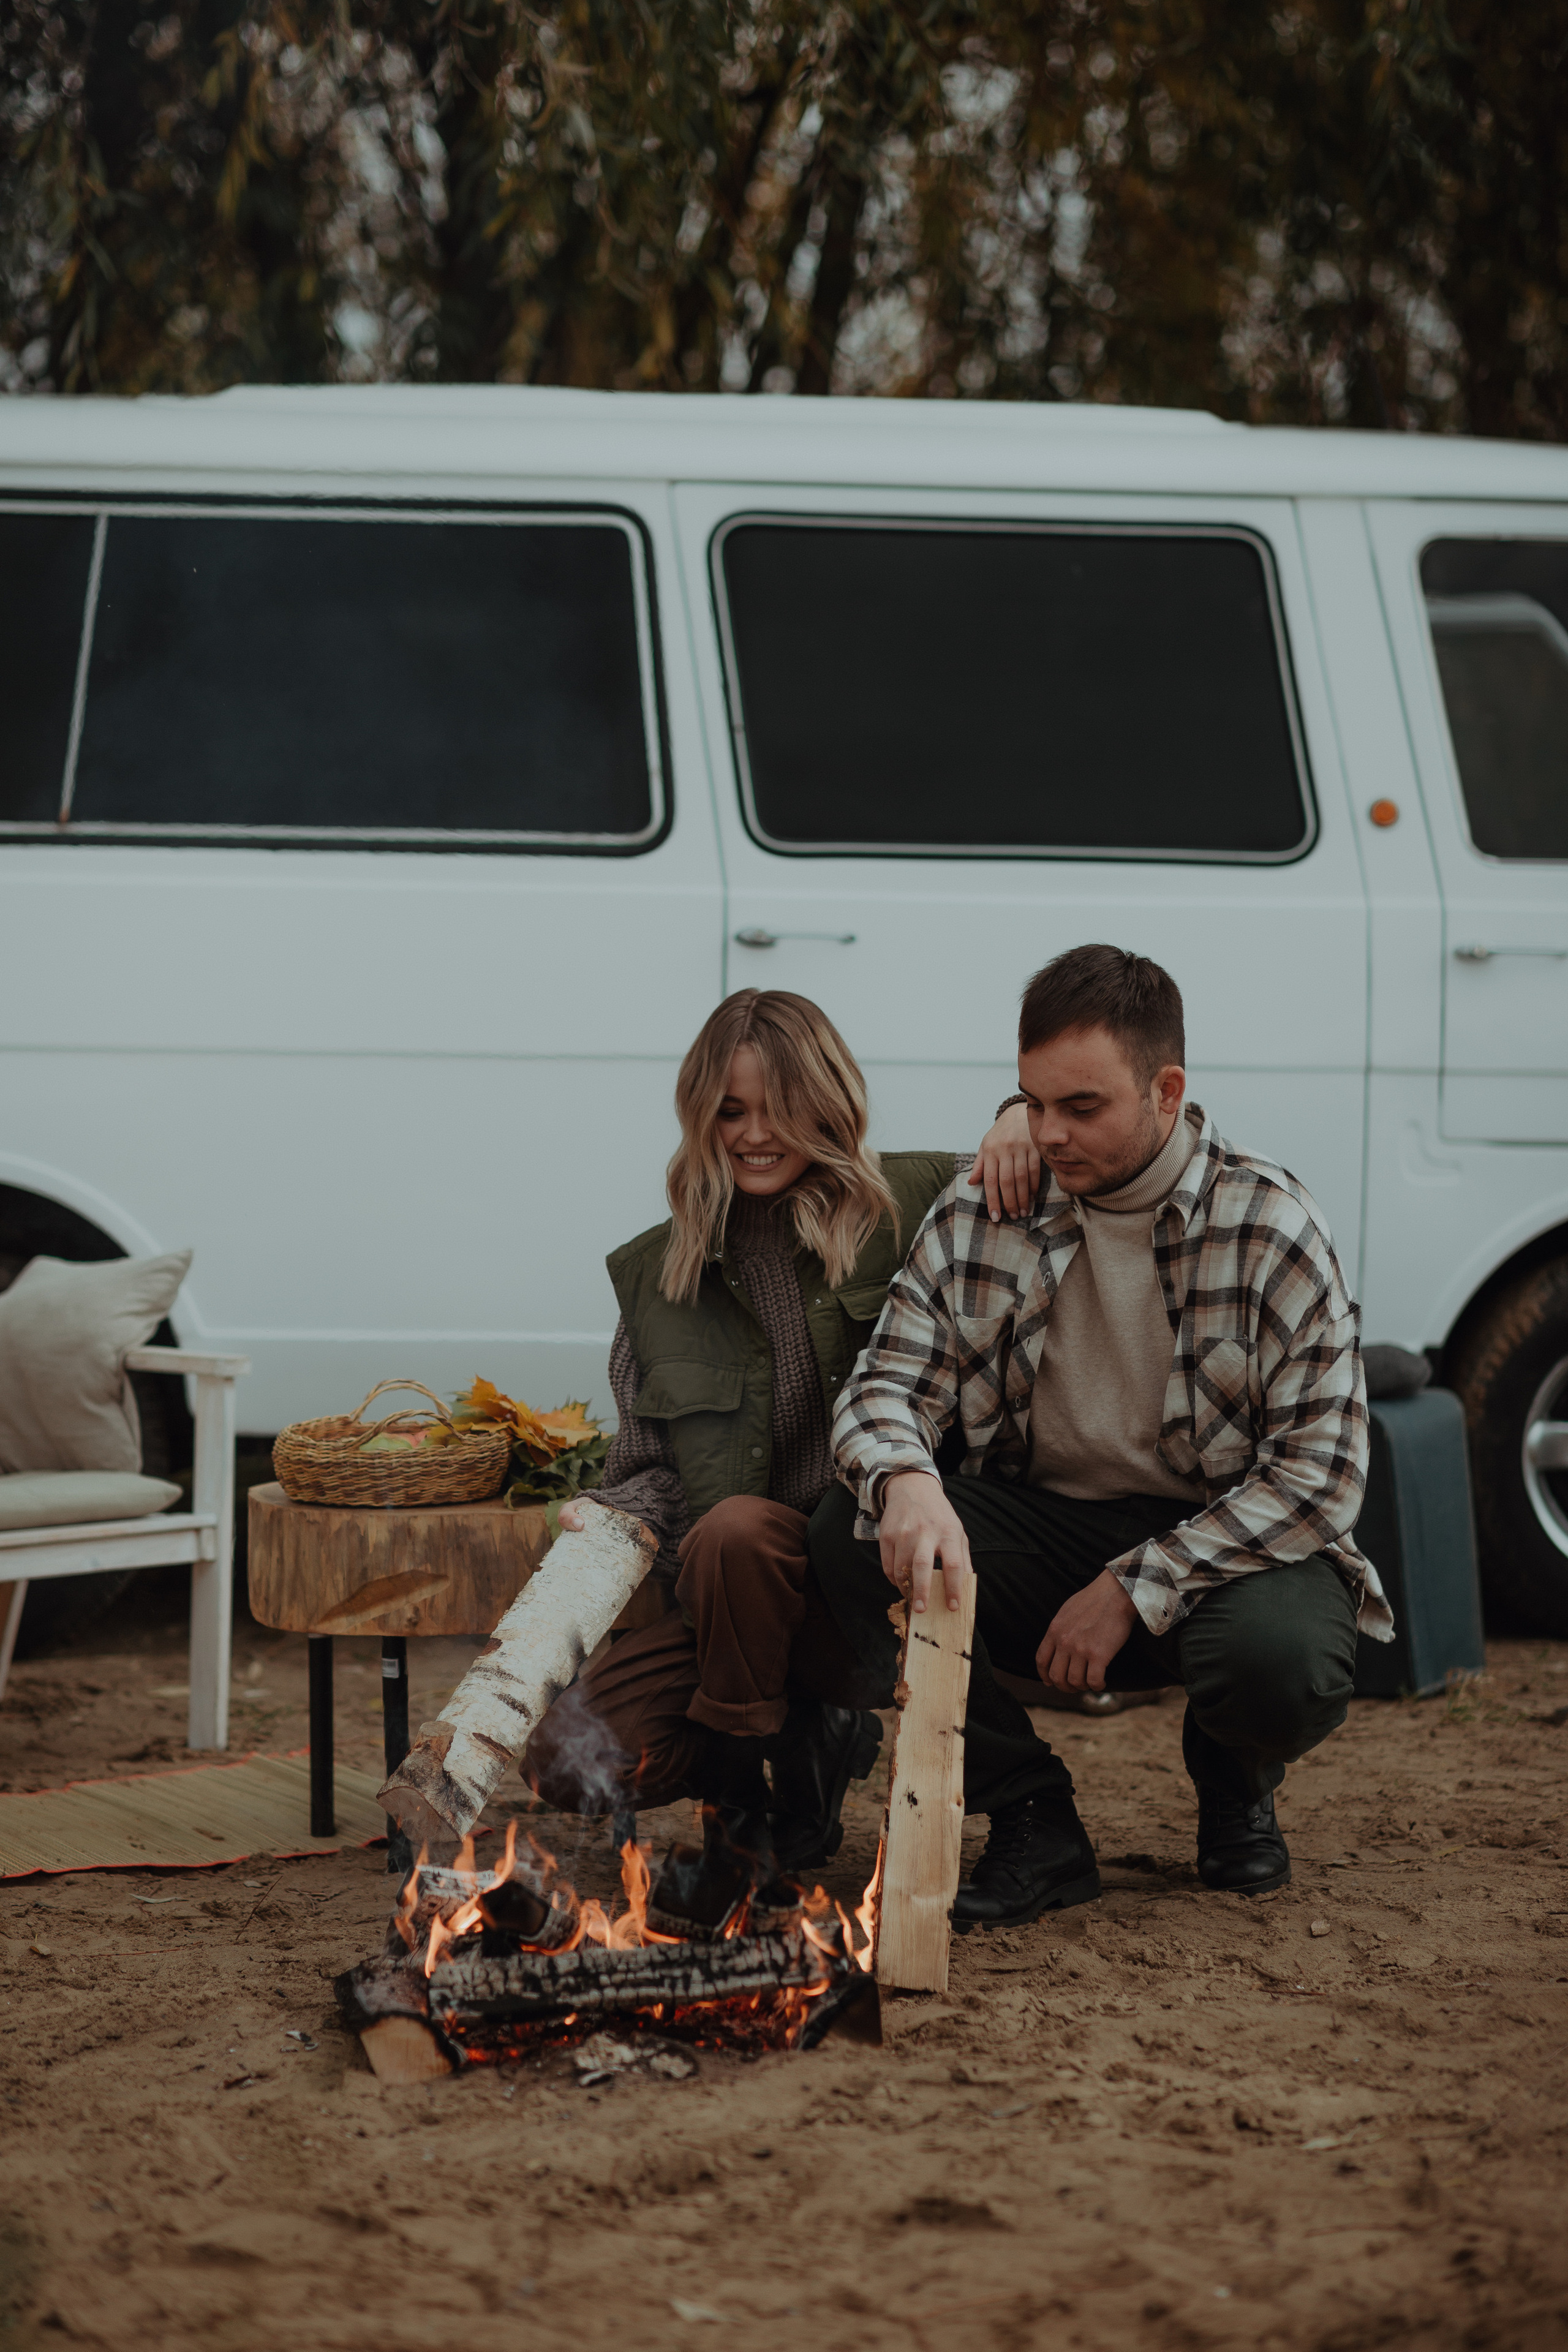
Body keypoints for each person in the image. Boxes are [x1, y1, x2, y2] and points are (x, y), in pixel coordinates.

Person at [810, 943, 1392, 1930]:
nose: (1050, 1133)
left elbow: (1321, 1478)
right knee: (848, 1530)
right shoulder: (987, 1205)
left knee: (1279, 1662)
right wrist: (907, 1478)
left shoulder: (1270, 1224)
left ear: (1166, 1091)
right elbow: (883, 1388)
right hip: (1045, 1526)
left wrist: (1135, 1585)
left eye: (1083, 1107)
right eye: (1032, 1103)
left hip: (1225, 1543)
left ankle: (1235, 1771)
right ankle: (1033, 1816)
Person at [522, 987, 1035, 1880]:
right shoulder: (660, 1271)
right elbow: (651, 1469)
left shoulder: (917, 1201)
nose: (755, 1134)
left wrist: (1018, 1116)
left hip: (868, 1586)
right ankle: (779, 1760)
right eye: (730, 1111)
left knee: (740, 1532)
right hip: (729, 1609)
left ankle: (750, 1816)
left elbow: (1064, 1161)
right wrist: (603, 1516)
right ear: (699, 1116)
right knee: (570, 1762)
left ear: (829, 1104)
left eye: (782, 1109)